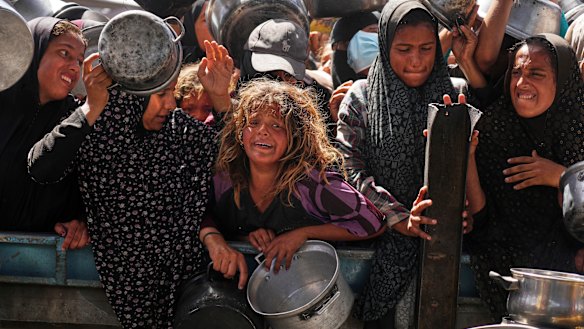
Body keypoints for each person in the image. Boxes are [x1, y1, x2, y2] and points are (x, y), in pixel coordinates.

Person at [27, 41, 235, 328]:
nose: (170, 104)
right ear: (133, 93)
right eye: (160, 94)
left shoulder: (180, 130)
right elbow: (41, 168)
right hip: (115, 290)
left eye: (172, 93)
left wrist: (221, 98)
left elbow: (237, 163)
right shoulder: (97, 126)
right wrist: (91, 107)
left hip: (184, 292)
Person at [335, 0, 483, 327]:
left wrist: (465, 213)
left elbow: (477, 173)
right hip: (381, 250)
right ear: (385, 46)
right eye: (403, 49)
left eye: (426, 48)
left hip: (449, 260)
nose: (416, 60)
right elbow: (349, 172)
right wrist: (401, 218)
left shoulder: (457, 95)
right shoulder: (360, 98)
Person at [199, 78, 386, 283]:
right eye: (253, 122)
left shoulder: (313, 184)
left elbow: (373, 222)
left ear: (296, 137)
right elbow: (199, 215)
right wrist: (243, 237)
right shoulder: (225, 178)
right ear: (240, 132)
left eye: (276, 125)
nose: (263, 130)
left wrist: (302, 234)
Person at [465, 33, 584, 321]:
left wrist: (560, 176)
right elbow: (483, 215)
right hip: (503, 275)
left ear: (562, 81)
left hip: (569, 286)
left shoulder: (578, 131)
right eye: (516, 72)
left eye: (536, 73)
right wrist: (467, 157)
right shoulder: (494, 125)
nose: (522, 83)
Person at [0, 17, 89, 249]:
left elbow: (89, 186)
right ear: (35, 52)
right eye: (64, 53)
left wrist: (81, 221)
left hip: (43, 260)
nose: (74, 67)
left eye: (79, 61)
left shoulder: (79, 117)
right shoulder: (2, 103)